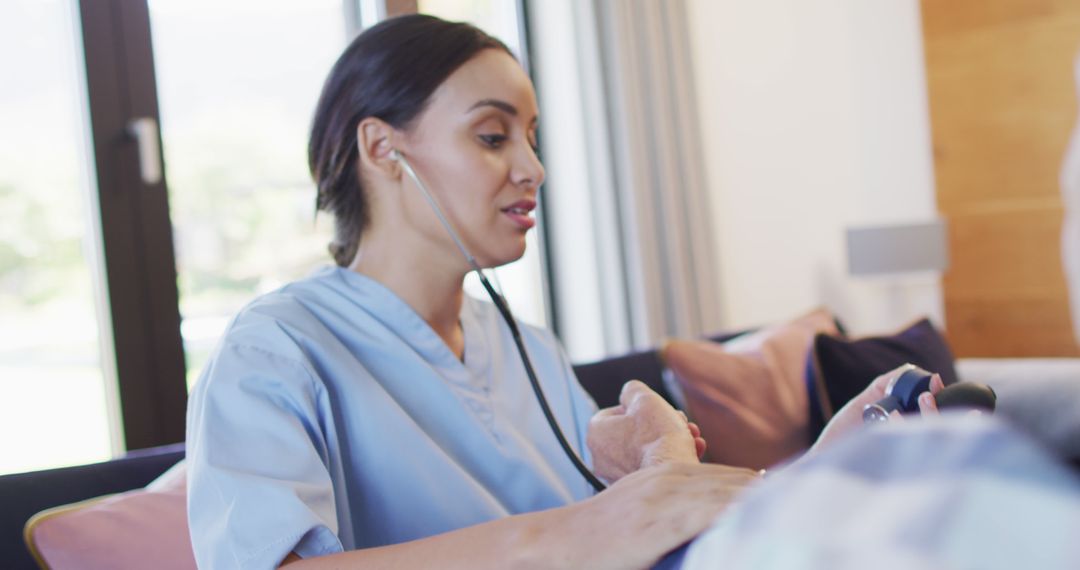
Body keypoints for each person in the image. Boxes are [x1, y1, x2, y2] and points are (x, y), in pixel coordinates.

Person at [185, 14, 941, 569]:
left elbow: (645, 539)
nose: (532, 168)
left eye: (532, 137)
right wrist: (588, 531)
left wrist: (804, 476)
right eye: (492, 136)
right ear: (383, 149)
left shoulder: (532, 352)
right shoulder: (274, 353)